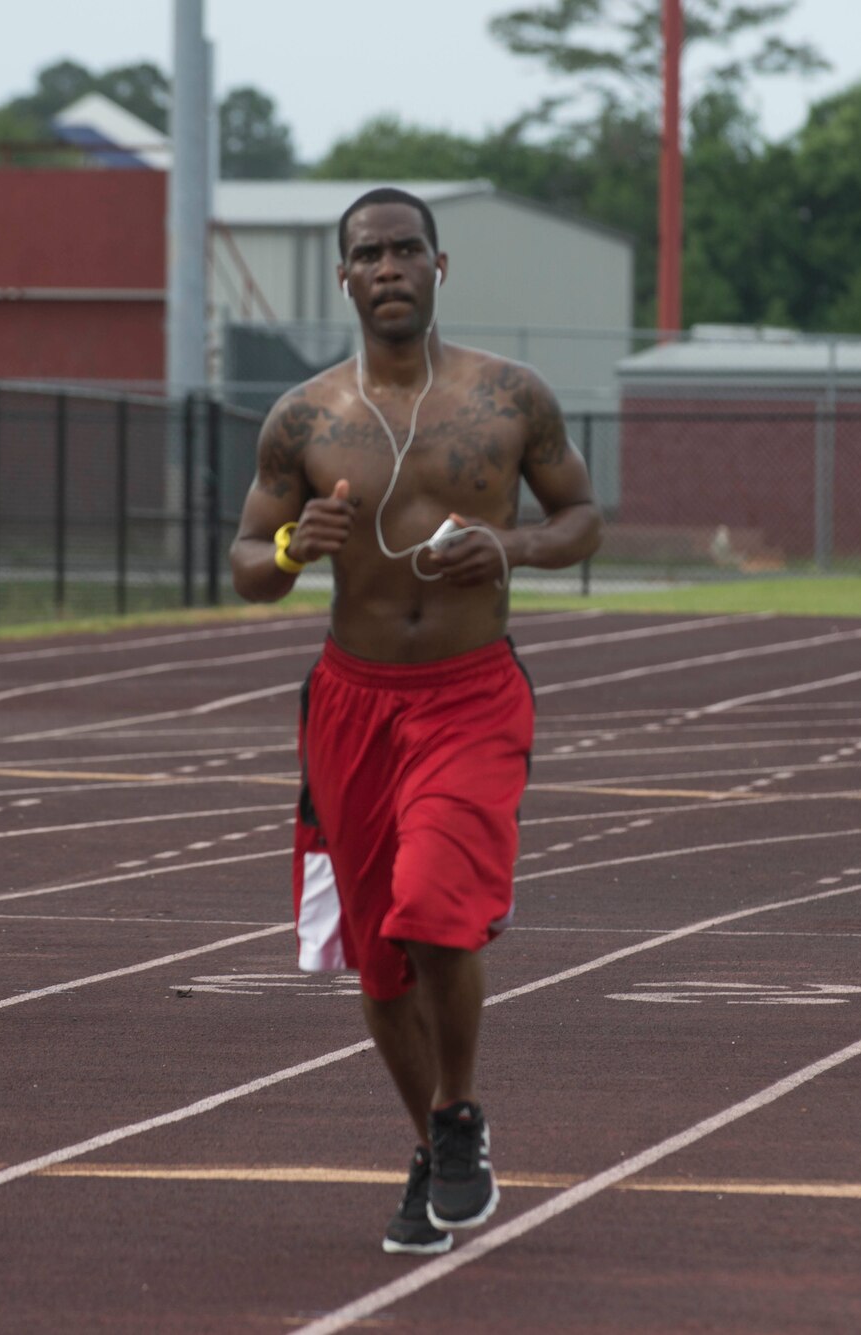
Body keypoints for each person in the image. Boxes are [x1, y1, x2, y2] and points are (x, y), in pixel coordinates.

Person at [231, 188, 602, 1254]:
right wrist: (299, 546)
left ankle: (459, 1112)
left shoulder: (506, 398)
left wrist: (515, 548)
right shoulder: (303, 419)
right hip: (349, 706)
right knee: (376, 955)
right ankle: (432, 1140)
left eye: (405, 250)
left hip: (469, 693)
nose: (387, 267)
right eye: (366, 254)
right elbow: (247, 566)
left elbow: (580, 516)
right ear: (343, 279)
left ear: (441, 267)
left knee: (432, 906)